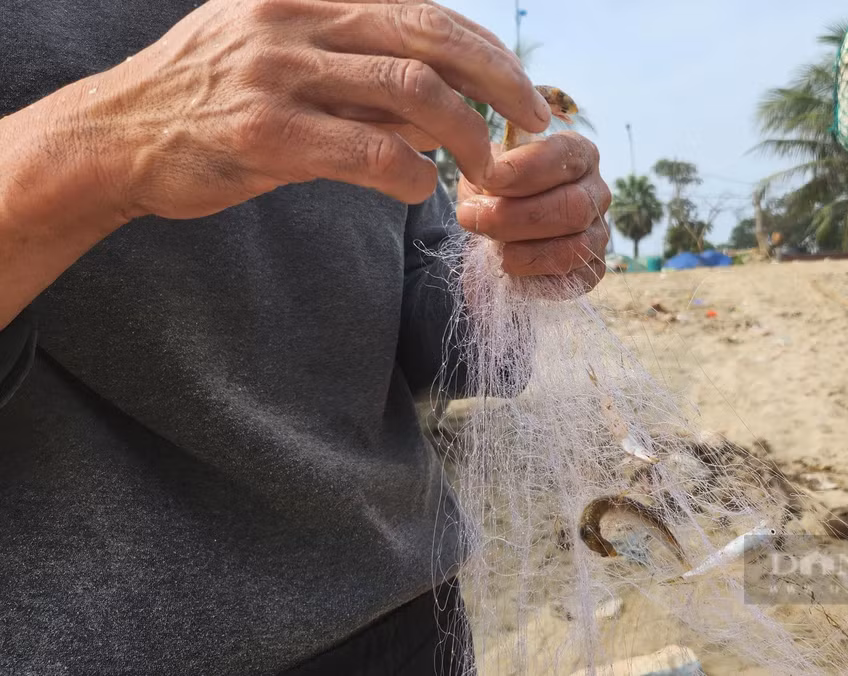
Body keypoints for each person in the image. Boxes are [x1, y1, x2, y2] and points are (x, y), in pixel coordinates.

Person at [0, 0, 610, 674]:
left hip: (413, 617)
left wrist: (506, 262)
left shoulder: (343, 20)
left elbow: (417, 308)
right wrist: (105, 141)